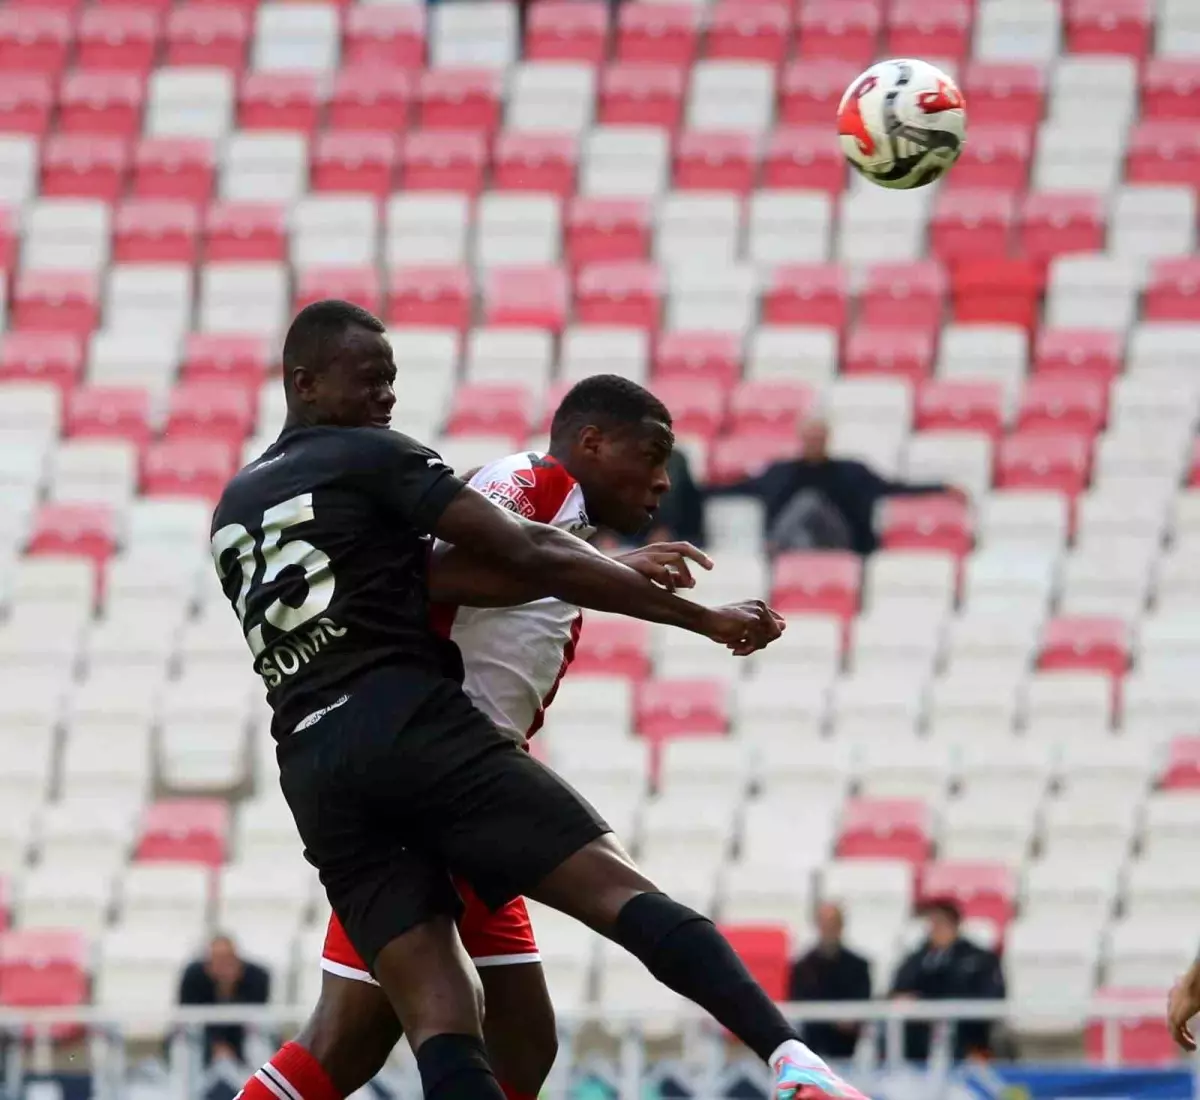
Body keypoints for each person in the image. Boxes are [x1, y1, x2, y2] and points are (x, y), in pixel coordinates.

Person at [211, 300, 868, 1100]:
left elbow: (419, 573)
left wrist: (604, 565)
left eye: (392, 379)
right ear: (306, 384)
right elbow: (479, 560)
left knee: (487, 1030)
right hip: (425, 751)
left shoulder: (239, 503)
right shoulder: (496, 475)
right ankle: (794, 1061)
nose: (388, 395)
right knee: (611, 894)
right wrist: (697, 617)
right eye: (369, 379)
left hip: (317, 762)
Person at [712, 418, 964, 556]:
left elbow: (893, 488)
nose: (814, 443)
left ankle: (774, 547)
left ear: (827, 439)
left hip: (839, 541)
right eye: (810, 438)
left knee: (809, 501)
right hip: (799, 544)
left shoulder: (851, 471)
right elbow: (739, 488)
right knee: (802, 533)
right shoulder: (780, 472)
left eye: (818, 438)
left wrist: (940, 488)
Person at [890, 900, 1004, 1062]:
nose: (934, 929)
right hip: (917, 1046)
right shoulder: (916, 959)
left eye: (940, 923)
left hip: (966, 1042)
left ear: (955, 925)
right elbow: (899, 991)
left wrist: (925, 1003)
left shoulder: (981, 960)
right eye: (931, 923)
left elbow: (991, 999)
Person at [788, 904, 872, 1060]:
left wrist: (849, 1019)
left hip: (847, 1051)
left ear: (841, 926)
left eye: (833, 924)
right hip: (812, 1048)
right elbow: (798, 1002)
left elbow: (863, 1003)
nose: (828, 930)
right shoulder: (803, 967)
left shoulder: (858, 966)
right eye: (824, 924)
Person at [179, 935, 270, 1066]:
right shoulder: (194, 977)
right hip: (203, 1046)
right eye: (218, 960)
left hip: (242, 1046)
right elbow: (187, 1017)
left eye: (228, 959)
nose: (224, 966)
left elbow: (255, 1016)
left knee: (259, 1037)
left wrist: (228, 986)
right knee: (184, 1039)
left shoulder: (257, 977)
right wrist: (214, 1046)